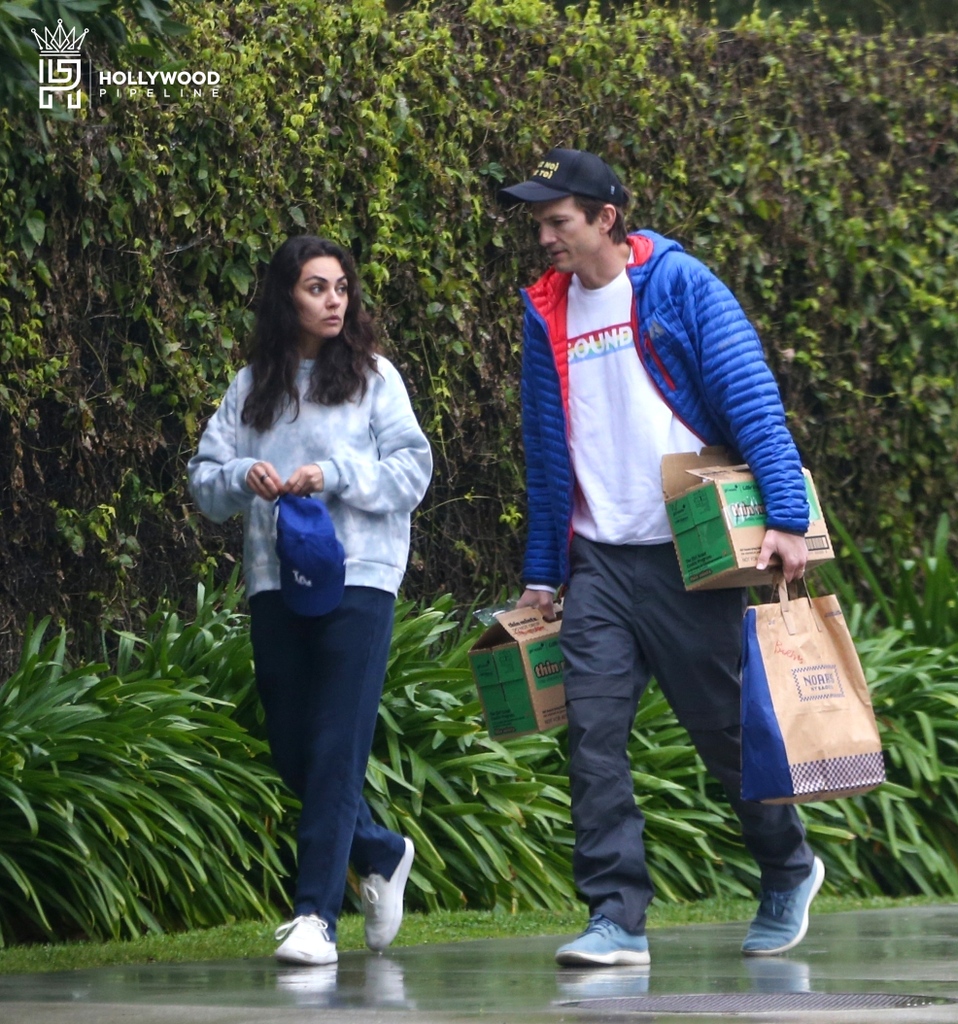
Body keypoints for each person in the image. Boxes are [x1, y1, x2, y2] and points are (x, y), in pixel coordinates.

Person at [498, 148, 824, 968]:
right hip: (598, 560)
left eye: (557, 220)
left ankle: (788, 865)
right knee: (595, 738)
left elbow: (749, 394)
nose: (544, 236)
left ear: (606, 218)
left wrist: (785, 516)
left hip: (689, 556)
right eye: (539, 222)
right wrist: (544, 572)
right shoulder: (548, 313)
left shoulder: (679, 286)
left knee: (725, 732)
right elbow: (547, 452)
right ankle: (617, 918)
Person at [188, 235, 432, 966]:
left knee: (335, 745)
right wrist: (241, 476)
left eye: (341, 289)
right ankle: (381, 852)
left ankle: (314, 917)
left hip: (361, 577)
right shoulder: (252, 384)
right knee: (295, 746)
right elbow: (204, 480)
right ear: (284, 297)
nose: (333, 301)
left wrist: (331, 473)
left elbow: (412, 469)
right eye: (316, 288)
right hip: (274, 579)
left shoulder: (374, 377)